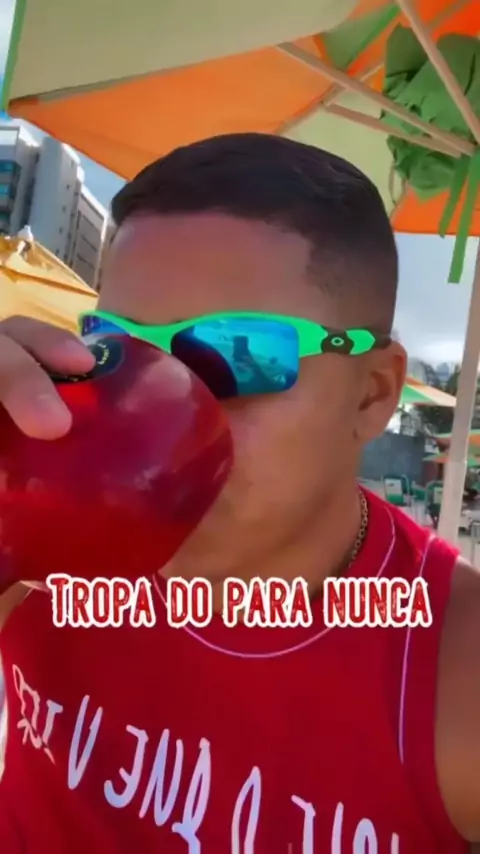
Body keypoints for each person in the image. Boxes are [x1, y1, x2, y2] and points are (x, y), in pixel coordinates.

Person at [0, 133, 478, 853]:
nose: (161, 411)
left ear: (372, 393)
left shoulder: (454, 677)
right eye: (118, 350)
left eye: (236, 353)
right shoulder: (40, 538)